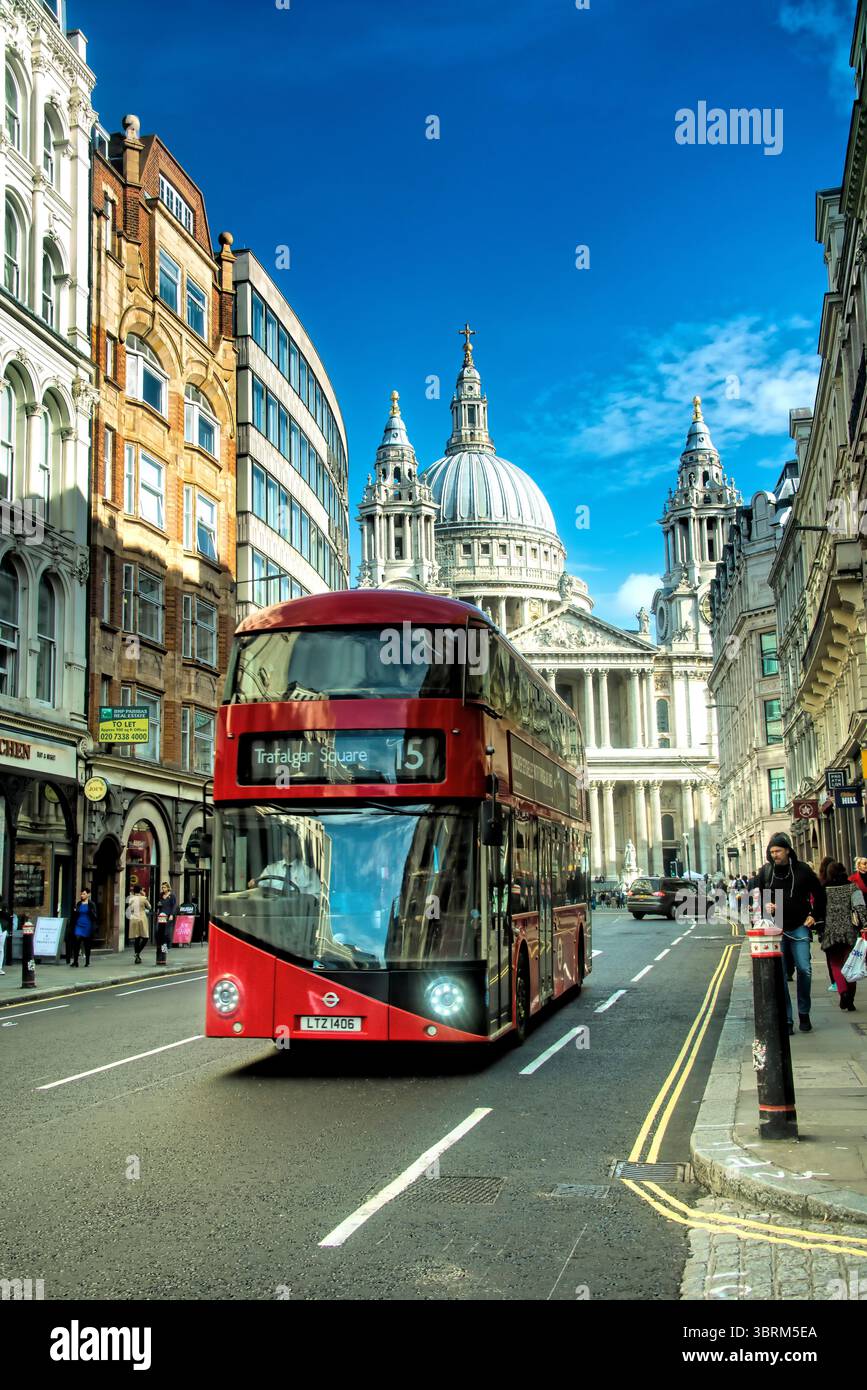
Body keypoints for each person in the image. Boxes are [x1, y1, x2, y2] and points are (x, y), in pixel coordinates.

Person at [750, 832, 825, 1035]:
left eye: (778, 851)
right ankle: (788, 1019)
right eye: (772, 851)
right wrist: (768, 907)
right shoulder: (767, 872)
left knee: (804, 969)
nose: (775, 855)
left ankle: (804, 1012)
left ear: (787, 851)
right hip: (777, 928)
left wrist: (815, 916)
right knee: (780, 976)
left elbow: (819, 894)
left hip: (800, 925)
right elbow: (759, 900)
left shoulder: (802, 870)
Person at [821, 861, 867, 1011]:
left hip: (831, 932)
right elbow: (860, 907)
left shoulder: (824, 889)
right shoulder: (853, 887)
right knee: (851, 965)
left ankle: (843, 992)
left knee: (836, 964)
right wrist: (865, 923)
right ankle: (851, 1000)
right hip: (850, 932)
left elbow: (819, 910)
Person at [249, 830, 321, 898]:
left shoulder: (309, 873)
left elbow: (315, 897)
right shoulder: (270, 869)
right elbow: (261, 888)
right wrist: (254, 884)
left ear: (297, 848)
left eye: (291, 846)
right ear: (281, 848)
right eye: (285, 845)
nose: (288, 849)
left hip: (298, 909)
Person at [817, 856, 836, 990]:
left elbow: (818, 908)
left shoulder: (822, 886)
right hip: (846, 927)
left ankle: (835, 982)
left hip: (826, 926)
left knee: (831, 957)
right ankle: (846, 981)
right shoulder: (850, 886)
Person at [70, 889, 98, 967]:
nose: (82, 895)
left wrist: (91, 911)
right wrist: (75, 911)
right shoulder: (79, 903)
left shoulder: (91, 904)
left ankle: (87, 961)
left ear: (88, 895)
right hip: (78, 925)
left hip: (87, 925)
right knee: (76, 942)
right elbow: (75, 914)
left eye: (84, 894)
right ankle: (75, 961)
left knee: (87, 944)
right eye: (81, 894)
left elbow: (95, 916)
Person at [126, 886, 151, 964]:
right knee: (145, 937)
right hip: (142, 918)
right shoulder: (143, 898)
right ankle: (137, 953)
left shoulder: (131, 899)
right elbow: (149, 907)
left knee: (137, 938)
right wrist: (144, 895)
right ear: (140, 890)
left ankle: (137, 958)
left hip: (133, 919)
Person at [155, 881, 177, 966]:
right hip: (161, 916)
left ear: (168, 888)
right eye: (162, 887)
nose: (163, 889)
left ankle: (165, 949)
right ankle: (160, 949)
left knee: (166, 933)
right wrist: (158, 911)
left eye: (164, 887)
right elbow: (158, 905)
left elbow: (174, 906)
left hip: (168, 916)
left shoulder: (172, 896)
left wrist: (171, 914)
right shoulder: (161, 895)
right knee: (157, 932)